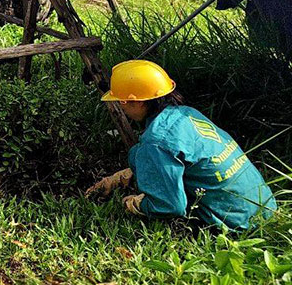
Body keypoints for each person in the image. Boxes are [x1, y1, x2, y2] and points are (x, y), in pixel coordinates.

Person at [87, 59, 275, 230]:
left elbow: (170, 206)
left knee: (147, 161)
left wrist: (134, 204)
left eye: (122, 102)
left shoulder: (155, 142)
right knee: (139, 152)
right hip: (265, 206)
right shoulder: (186, 114)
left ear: (136, 102)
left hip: (238, 223)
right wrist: (125, 175)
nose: (122, 108)